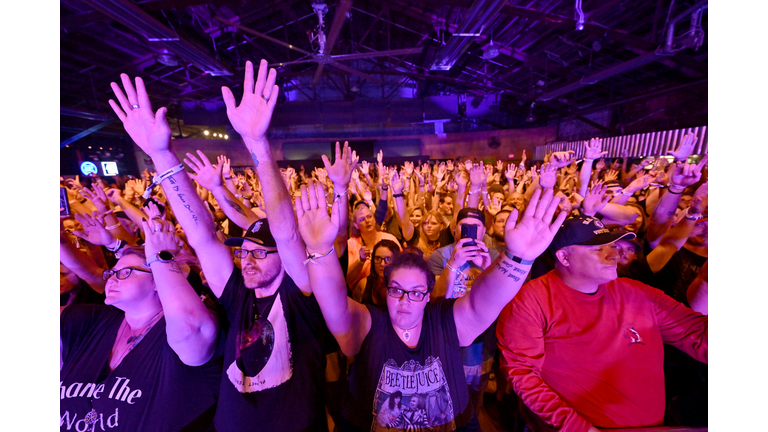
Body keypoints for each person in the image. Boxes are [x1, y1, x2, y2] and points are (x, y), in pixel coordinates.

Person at [108, 60, 348, 431]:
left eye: (258, 253)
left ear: (285, 260)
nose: (246, 260)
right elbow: (202, 234)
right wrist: (161, 155)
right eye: (243, 251)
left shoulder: (301, 295)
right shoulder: (237, 294)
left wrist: (256, 143)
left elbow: (285, 234)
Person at [294, 179, 565, 432]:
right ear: (385, 291)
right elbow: (335, 303)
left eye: (415, 292)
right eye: (397, 290)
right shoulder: (370, 323)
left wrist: (518, 259)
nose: (404, 300)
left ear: (428, 295)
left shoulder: (443, 318)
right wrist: (319, 250)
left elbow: (484, 302)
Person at [496, 215, 708, 432]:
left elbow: (701, 338)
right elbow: (522, 374)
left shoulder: (638, 293)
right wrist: (578, 428)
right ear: (564, 257)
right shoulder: (531, 301)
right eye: (598, 249)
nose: (615, 255)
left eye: (613, 246)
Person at [60, 217, 221, 431]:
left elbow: (191, 330)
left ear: (158, 281)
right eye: (113, 273)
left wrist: (161, 258)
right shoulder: (92, 320)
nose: (112, 279)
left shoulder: (182, 329)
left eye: (126, 273)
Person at [354, 239, 400, 306]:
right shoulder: (363, 285)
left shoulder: (402, 287)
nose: (382, 264)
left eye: (388, 259)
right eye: (378, 258)